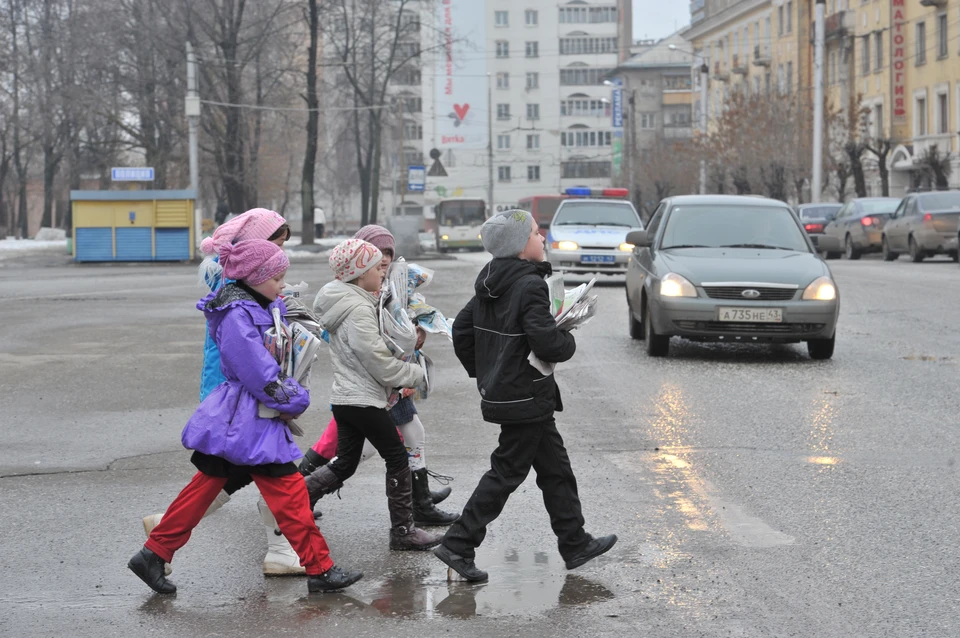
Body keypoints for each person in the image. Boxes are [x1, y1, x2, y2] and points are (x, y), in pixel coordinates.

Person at [127, 239, 362, 595]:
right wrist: (292, 398)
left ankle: (154, 553)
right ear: (254, 277)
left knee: (207, 487)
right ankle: (320, 568)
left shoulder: (249, 304)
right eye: (278, 278)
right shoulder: (238, 313)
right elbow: (256, 369)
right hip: (251, 418)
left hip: (239, 418)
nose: (283, 285)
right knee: (290, 492)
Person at [433, 210, 617, 582]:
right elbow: (546, 342)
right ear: (520, 247)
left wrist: (486, 373)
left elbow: (463, 332)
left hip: (513, 393)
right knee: (506, 472)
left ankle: (574, 542)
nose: (542, 236)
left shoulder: (489, 280)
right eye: (535, 232)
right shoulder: (530, 285)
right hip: (526, 395)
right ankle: (458, 543)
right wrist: (567, 338)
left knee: (555, 470)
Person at [141, 208, 304, 577]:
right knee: (270, 472)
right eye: (274, 244)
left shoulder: (249, 284)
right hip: (237, 397)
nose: (279, 255)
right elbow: (243, 355)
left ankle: (163, 534)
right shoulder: (236, 292)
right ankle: (283, 551)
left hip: (243, 394)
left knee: (233, 475)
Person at [298, 225, 458, 526]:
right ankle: (297, 494)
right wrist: (411, 373)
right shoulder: (356, 299)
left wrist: (416, 331)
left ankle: (417, 502)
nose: (384, 260)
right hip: (372, 386)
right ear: (360, 268)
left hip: (381, 385)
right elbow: (365, 349)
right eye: (378, 255)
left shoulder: (381, 286)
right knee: (362, 452)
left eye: (388, 253)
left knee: (406, 438)